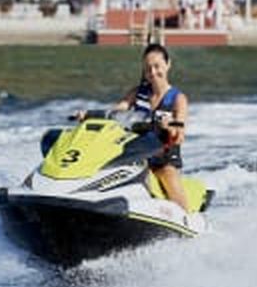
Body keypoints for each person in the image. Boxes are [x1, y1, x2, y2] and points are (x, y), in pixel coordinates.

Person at [80, 43, 189, 211]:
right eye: (147, 68)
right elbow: (116, 113)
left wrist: (170, 127)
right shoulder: (137, 93)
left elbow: (180, 134)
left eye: (157, 66)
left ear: (168, 65)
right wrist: (89, 115)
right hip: (136, 155)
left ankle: (187, 219)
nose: (152, 72)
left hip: (163, 160)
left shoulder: (178, 99)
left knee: (171, 184)